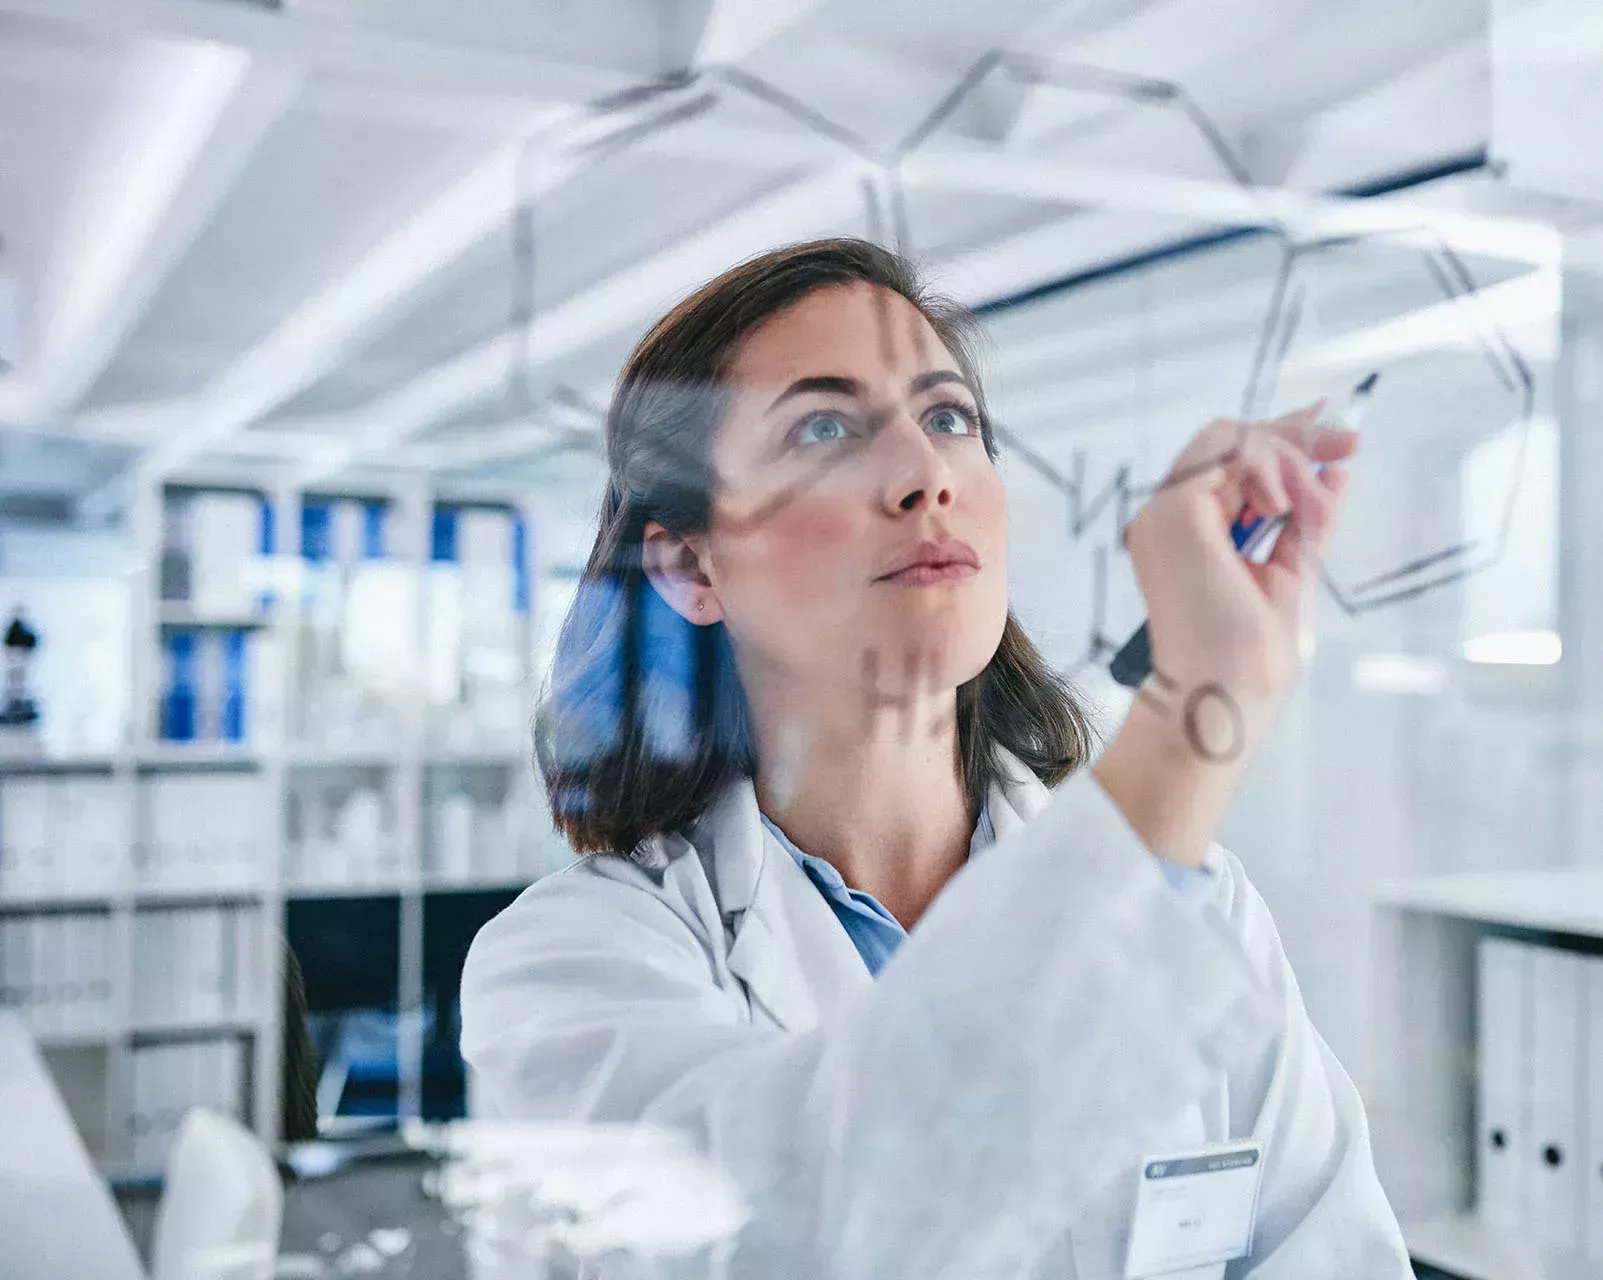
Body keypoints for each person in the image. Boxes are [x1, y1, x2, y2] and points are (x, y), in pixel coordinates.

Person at [459, 237, 1410, 1278]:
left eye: (948, 417)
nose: (924, 474)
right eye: (824, 428)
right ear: (692, 564)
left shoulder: (1201, 905)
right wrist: (1189, 724)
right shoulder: (571, 962)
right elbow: (784, 1237)